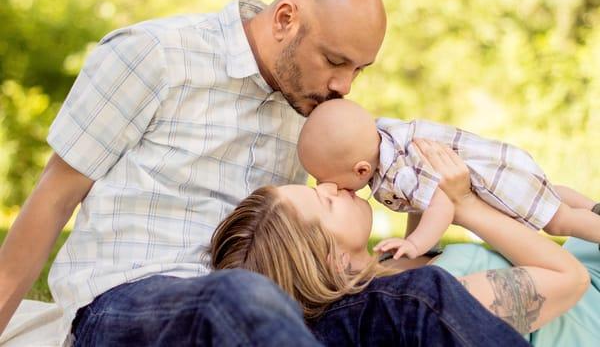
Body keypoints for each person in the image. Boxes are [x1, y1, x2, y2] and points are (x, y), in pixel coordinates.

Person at [0, 0, 389, 345]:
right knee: (237, 296)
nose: (345, 86)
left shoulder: (312, 102)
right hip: (127, 301)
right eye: (335, 61)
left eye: (359, 69)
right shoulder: (155, 54)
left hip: (267, 314)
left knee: (419, 294)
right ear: (285, 19)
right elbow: (53, 197)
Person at [211, 139, 592, 345]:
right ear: (332, 261)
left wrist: (415, 185)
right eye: (324, 201)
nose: (330, 185)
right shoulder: (432, 308)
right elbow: (568, 279)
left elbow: (425, 253)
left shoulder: (389, 273)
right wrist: (466, 206)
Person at [297, 98, 600, 259]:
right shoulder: (385, 137)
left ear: (361, 170)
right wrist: (418, 243)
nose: (327, 188)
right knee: (550, 196)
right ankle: (592, 207)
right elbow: (418, 205)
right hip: (505, 163)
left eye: (331, 181)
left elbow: (442, 202)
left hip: (493, 181)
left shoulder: (395, 174)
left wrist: (417, 243)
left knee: (558, 221)